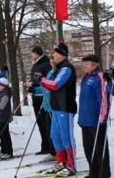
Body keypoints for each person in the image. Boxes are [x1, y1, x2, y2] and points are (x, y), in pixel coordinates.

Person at [35, 41, 77, 177]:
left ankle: (71, 165)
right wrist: (52, 70)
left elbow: (54, 85)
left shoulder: (67, 68)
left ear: (61, 54)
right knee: (54, 135)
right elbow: (50, 82)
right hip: (56, 107)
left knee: (66, 136)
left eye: (55, 53)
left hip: (65, 107)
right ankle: (61, 161)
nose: (52, 55)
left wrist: (41, 79)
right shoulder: (58, 68)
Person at [79, 55, 111, 178]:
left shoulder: (99, 77)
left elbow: (103, 100)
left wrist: (102, 118)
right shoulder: (86, 78)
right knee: (88, 149)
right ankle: (94, 173)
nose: (84, 66)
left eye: (87, 64)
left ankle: (104, 174)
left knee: (99, 150)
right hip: (85, 120)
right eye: (84, 64)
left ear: (95, 65)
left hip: (96, 121)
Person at [24, 46, 54, 157]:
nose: (31, 55)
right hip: (36, 96)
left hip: (43, 97)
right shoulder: (35, 64)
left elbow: (47, 81)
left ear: (37, 53)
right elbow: (36, 80)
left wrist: (34, 85)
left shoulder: (45, 64)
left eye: (32, 53)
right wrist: (31, 83)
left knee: (45, 123)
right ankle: (45, 146)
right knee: (40, 123)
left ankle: (51, 148)